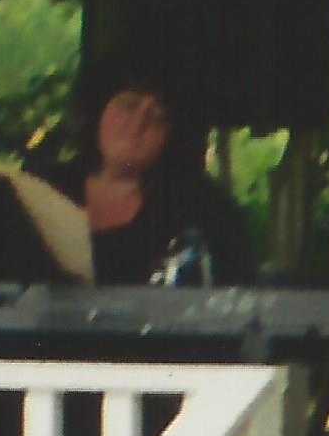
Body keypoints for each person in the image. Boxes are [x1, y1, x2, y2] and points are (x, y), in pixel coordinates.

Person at [23, 65, 260, 288]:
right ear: (98, 110)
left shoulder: (206, 210)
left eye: (158, 117)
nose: (138, 123)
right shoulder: (40, 188)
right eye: (129, 106)